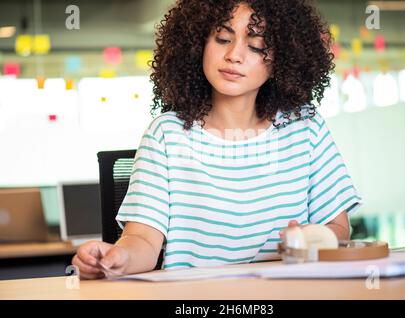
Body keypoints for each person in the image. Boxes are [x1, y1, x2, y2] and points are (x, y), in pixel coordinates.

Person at [72, 0, 362, 279]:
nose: (235, 55)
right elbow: (143, 241)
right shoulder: (166, 134)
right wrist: (116, 258)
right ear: (198, 43)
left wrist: (315, 237)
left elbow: (338, 228)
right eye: (223, 38)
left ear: (283, 57)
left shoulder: (305, 127)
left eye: (256, 45)